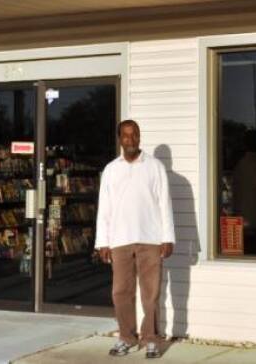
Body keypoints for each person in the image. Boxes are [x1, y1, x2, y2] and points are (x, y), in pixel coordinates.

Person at [96, 119, 175, 359]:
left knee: (150, 293)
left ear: (140, 137)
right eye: (126, 136)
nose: (131, 140)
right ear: (120, 139)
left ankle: (151, 339)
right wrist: (102, 242)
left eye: (135, 135)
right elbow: (105, 207)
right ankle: (126, 338)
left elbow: (165, 204)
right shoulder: (111, 169)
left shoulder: (155, 167)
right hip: (119, 240)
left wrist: (167, 237)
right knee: (121, 292)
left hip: (150, 239)